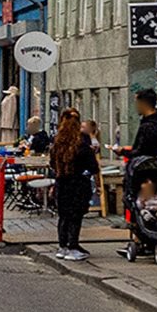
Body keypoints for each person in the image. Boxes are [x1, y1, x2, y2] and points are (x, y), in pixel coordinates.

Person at [50, 108, 100, 261]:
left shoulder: (57, 141)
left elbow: (52, 163)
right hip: (78, 183)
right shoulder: (82, 141)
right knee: (75, 216)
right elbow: (92, 166)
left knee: (63, 216)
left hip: (61, 182)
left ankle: (62, 246)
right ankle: (73, 246)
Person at [125, 87, 157, 210]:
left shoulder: (148, 126)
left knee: (143, 202)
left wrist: (124, 152)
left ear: (143, 103)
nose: (136, 107)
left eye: (137, 103)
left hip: (146, 169)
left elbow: (143, 150)